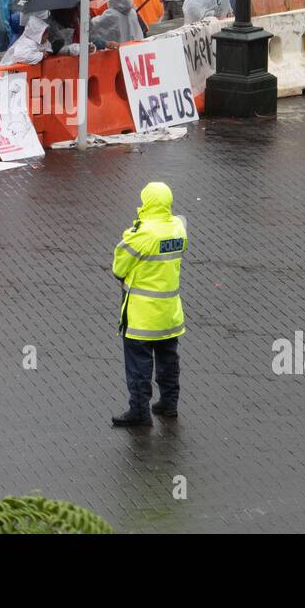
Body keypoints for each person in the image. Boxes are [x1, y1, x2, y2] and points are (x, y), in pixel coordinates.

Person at [110, 182, 188, 427]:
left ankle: (140, 412)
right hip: (169, 314)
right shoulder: (178, 228)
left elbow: (118, 267)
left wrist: (133, 230)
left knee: (139, 367)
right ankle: (169, 404)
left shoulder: (143, 233)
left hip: (142, 317)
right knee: (168, 361)